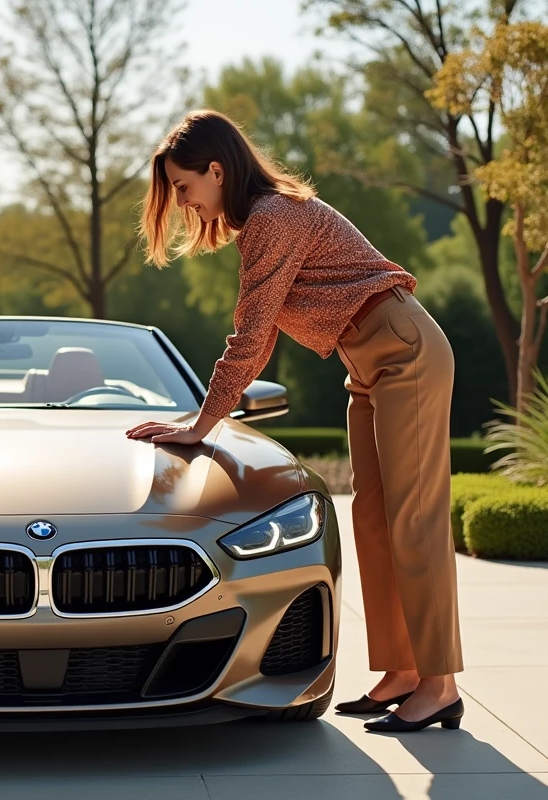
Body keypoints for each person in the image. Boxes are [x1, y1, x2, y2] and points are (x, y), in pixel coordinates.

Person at [125, 109, 464, 733]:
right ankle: (401, 671)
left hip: (403, 348)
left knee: (412, 514)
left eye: (183, 186)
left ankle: (439, 683)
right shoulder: (263, 221)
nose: (183, 201)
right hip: (365, 361)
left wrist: (202, 423)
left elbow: (252, 336)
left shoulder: (273, 219)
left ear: (218, 171)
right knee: (371, 512)